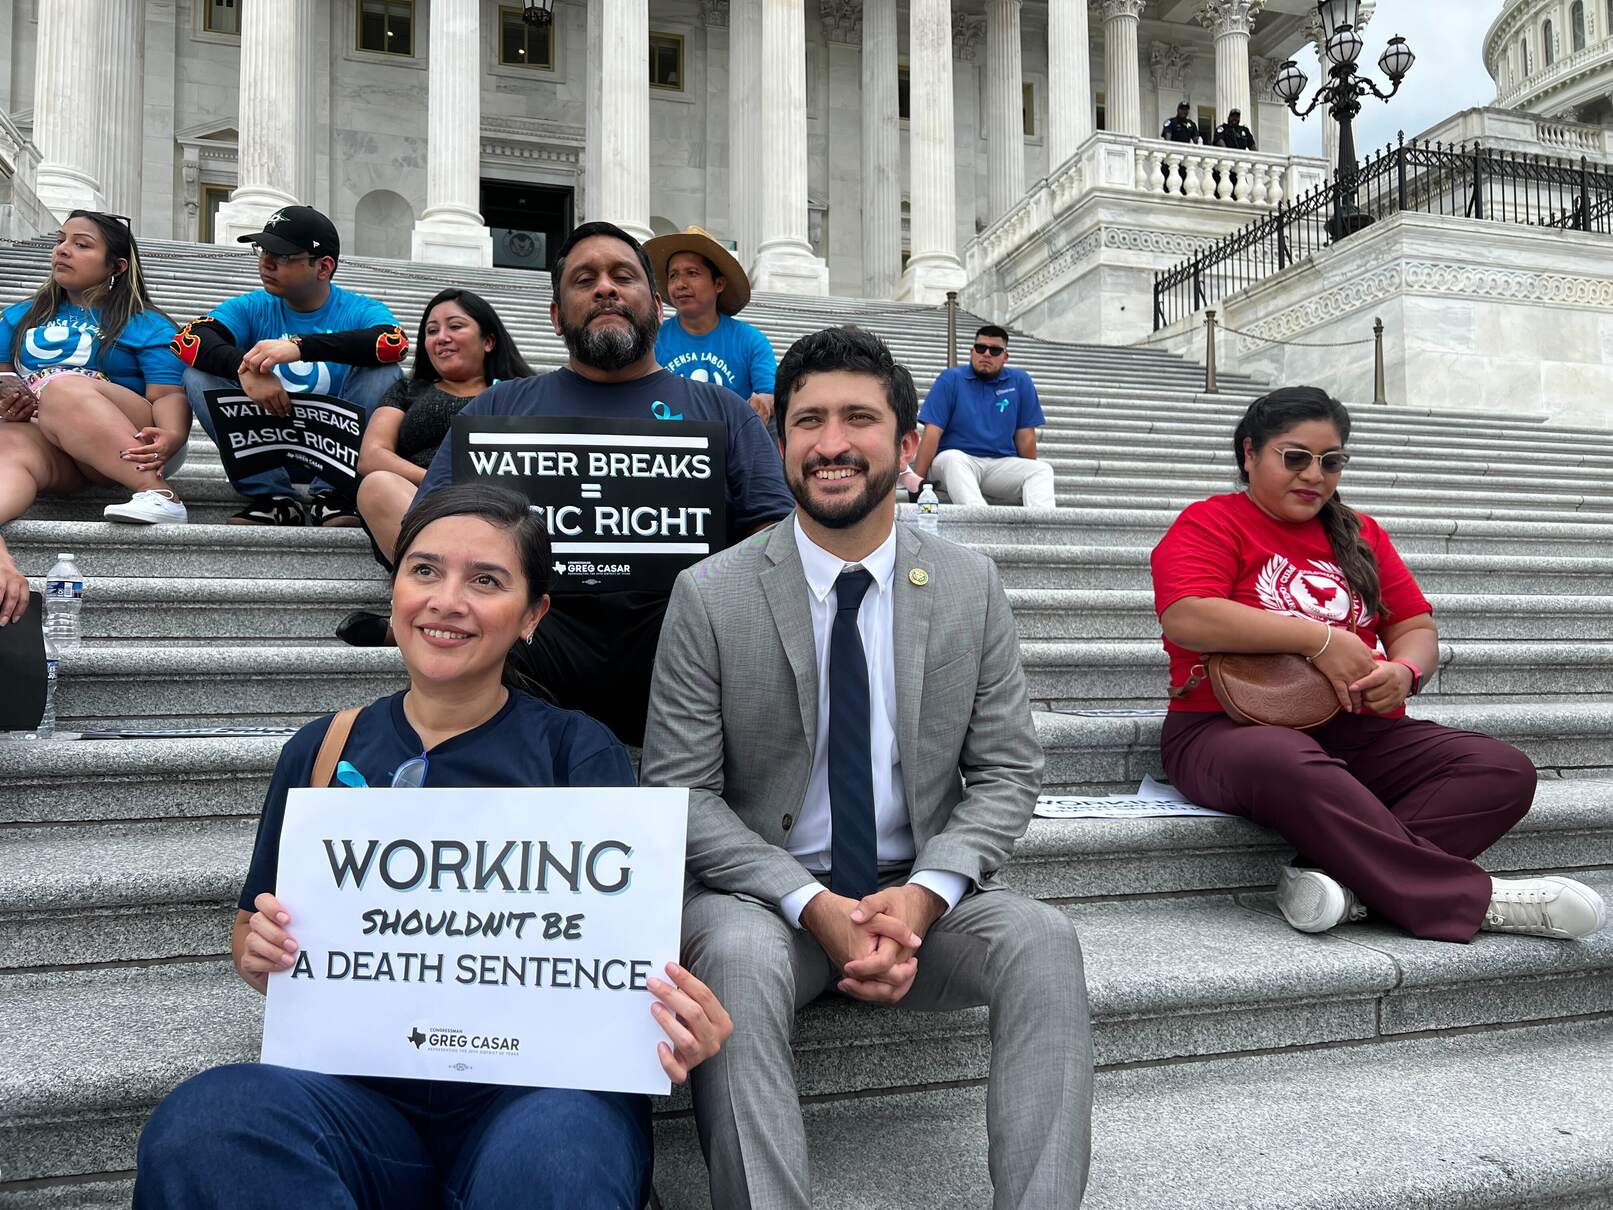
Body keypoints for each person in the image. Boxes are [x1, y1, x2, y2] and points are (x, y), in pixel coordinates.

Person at [132, 483, 733, 1210]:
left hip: (533, 1099)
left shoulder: (578, 752)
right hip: (355, 1101)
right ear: (395, 595)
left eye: (486, 580)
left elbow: (622, 957)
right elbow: (251, 928)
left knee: (559, 1160)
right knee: (207, 1120)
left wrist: (674, 1015)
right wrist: (259, 950)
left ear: (533, 616)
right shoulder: (323, 748)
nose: (447, 599)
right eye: (424, 570)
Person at [640, 326, 1093, 1209]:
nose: (832, 443)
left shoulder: (967, 584)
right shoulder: (712, 594)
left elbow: (1006, 772)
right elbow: (678, 792)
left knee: (1043, 940)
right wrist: (811, 904)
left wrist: (925, 894)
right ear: (780, 444)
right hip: (766, 900)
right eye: (808, 420)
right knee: (729, 954)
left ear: (906, 442)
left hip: (913, 891)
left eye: (858, 418)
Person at [1151, 387, 1606, 943]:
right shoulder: (1211, 522)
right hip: (1227, 728)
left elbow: (1414, 628)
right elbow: (1188, 616)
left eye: (1331, 461)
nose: (1314, 475)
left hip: (1356, 727)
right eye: (1294, 458)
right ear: (1250, 454)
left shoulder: (1359, 533)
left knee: (1501, 769)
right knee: (1285, 757)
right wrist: (1320, 639)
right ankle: (1470, 897)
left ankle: (1337, 885)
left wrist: (1406, 673)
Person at [412, 220, 794, 746]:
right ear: (554, 316)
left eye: (622, 276)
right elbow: (429, 528)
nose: (606, 288)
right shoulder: (499, 409)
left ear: (658, 309)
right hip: (528, 644)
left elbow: (773, 531)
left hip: (684, 646)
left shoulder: (724, 412)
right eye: (584, 279)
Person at [0, 211, 188, 620]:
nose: (63, 250)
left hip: (133, 441)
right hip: (52, 441)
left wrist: (172, 436)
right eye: (61, 240)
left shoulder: (147, 323)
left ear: (116, 267)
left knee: (62, 385)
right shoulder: (18, 317)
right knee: (9, 438)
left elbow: (168, 393)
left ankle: (159, 494)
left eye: (82, 244)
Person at [172, 205, 408, 527]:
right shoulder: (254, 306)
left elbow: (392, 343)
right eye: (264, 250)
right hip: (269, 445)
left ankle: (335, 494)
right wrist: (246, 370)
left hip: (333, 448)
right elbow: (190, 340)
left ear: (323, 267)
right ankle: (273, 497)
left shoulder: (357, 308)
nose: (266, 263)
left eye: (283, 256)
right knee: (197, 374)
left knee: (385, 371)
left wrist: (299, 347)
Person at [351, 288, 534, 572]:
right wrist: (438, 481)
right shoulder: (408, 390)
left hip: (500, 506)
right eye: (432, 331)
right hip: (419, 501)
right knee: (377, 486)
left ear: (488, 341)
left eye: (456, 326)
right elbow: (372, 455)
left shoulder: (522, 392)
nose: (442, 338)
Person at [902, 324, 1055, 509]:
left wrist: (1024, 473)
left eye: (995, 350)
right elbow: (932, 433)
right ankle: (981, 520)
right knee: (953, 458)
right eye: (981, 348)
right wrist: (918, 482)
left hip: (1000, 465)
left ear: (1005, 356)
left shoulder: (1020, 381)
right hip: (955, 462)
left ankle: (1042, 533)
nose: (987, 354)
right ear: (972, 351)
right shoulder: (951, 379)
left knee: (1041, 470)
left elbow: (1026, 437)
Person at [645, 225, 777, 425]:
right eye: (673, 275)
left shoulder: (751, 341)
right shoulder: (652, 341)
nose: (680, 284)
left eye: (692, 273)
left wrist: (765, 402)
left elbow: (769, 393)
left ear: (719, 284)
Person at [1160, 101, 1201, 195]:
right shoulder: (1171, 122)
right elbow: (1168, 138)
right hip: (1172, 159)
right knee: (1169, 186)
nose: (1184, 111)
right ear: (1178, 110)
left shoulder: (1191, 124)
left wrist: (1198, 140)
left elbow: (1196, 140)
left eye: (1186, 109)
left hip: (1184, 160)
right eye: (1182, 109)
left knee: (1184, 187)